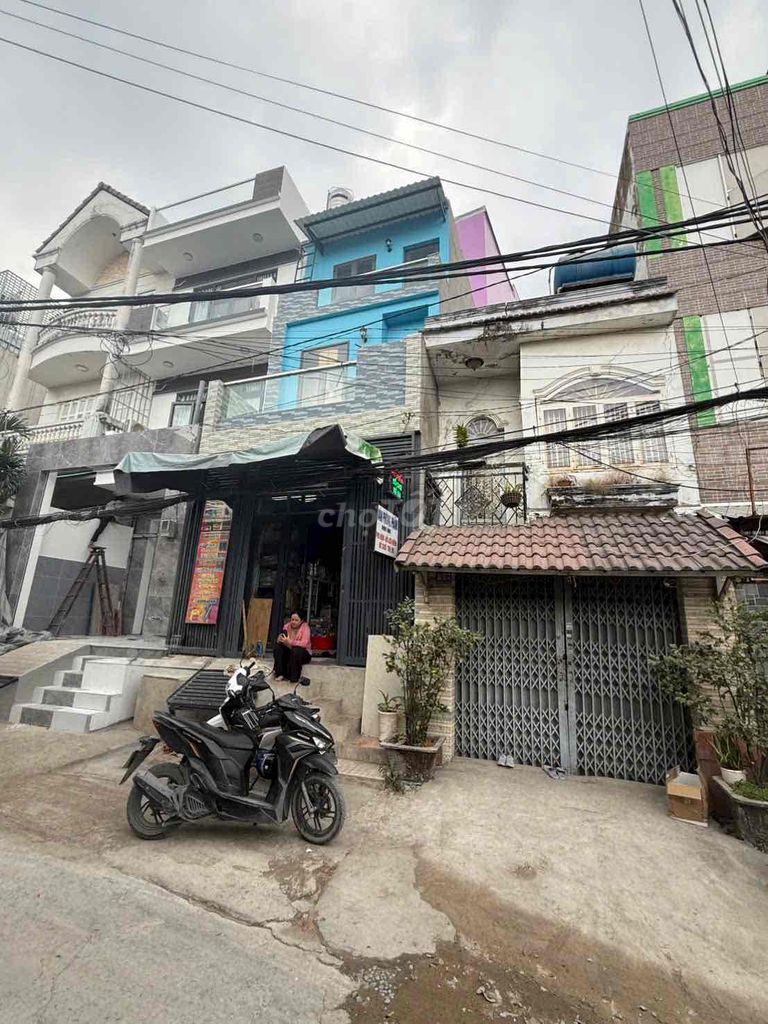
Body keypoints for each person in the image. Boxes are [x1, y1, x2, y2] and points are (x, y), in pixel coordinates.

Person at [273, 611, 312, 683]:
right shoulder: (286, 626)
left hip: (303, 653)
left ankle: (293, 677)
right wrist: (280, 639)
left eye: (296, 620)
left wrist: (290, 642)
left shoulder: (305, 628)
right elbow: (283, 640)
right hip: (290, 649)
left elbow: (304, 643)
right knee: (278, 648)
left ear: (301, 621)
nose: (293, 622)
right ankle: (279, 673)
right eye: (292, 620)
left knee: (296, 651)